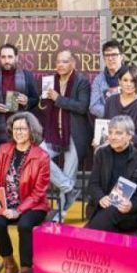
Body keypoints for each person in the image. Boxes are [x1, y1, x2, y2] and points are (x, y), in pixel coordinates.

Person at [0, 112, 51, 273]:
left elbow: (39, 192)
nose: (19, 132)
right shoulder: (4, 150)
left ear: (31, 130)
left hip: (34, 205)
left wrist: (18, 210)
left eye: (23, 128)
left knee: (25, 226)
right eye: (16, 128)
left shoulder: (41, 156)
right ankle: (10, 264)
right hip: (7, 202)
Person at [38, 50, 91, 222]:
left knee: (68, 172)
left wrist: (58, 98)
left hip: (75, 135)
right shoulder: (50, 81)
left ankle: (60, 215)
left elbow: (82, 107)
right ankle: (70, 189)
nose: (60, 65)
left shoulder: (82, 82)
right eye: (58, 61)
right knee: (38, 156)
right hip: (54, 133)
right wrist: (44, 99)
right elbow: (44, 107)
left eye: (65, 61)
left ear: (73, 64)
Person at [85, 116, 137, 235]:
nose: (112, 137)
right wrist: (101, 197)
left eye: (118, 133)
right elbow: (93, 184)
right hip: (104, 208)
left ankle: (89, 235)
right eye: (110, 132)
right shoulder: (101, 154)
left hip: (131, 213)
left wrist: (131, 205)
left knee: (108, 215)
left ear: (129, 136)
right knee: (108, 212)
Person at [0, 44, 39, 147]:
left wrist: (27, 102)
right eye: (3, 57)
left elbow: (35, 99)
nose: (6, 61)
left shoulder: (27, 75)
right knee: (0, 154)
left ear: (16, 58)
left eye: (10, 57)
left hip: (21, 124)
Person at [89, 39, 137, 119]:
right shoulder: (98, 80)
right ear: (104, 58)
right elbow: (93, 106)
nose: (110, 58)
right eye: (107, 55)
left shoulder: (132, 76)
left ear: (121, 57)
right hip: (107, 123)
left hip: (130, 122)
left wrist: (127, 113)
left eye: (114, 55)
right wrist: (114, 114)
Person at [102, 65, 137, 151]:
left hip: (133, 151)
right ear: (119, 81)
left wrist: (120, 143)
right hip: (111, 149)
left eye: (132, 81)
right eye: (125, 80)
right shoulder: (110, 101)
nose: (129, 84)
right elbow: (106, 126)